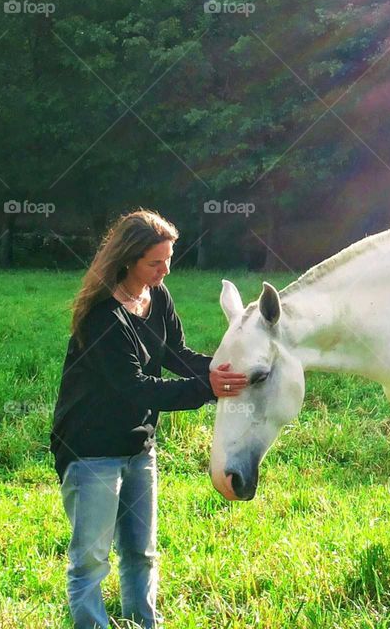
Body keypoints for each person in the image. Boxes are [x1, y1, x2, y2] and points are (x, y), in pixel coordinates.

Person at [50, 209, 248, 629]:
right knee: (91, 560)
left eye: (169, 260)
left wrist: (226, 371)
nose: (164, 271)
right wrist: (207, 389)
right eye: (154, 263)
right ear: (128, 260)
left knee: (142, 552)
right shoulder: (103, 314)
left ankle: (145, 623)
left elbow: (175, 354)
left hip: (138, 446)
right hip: (90, 450)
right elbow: (137, 387)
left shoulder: (156, 297)